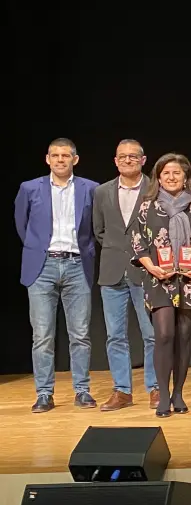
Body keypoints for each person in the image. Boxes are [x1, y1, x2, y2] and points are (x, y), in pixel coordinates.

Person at [128, 153, 191, 417]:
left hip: (190, 280)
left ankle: (178, 393)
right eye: (166, 173)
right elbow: (137, 243)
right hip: (159, 279)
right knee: (164, 334)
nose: (171, 177)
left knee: (183, 336)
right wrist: (151, 267)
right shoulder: (147, 207)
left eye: (176, 173)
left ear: (186, 176)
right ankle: (163, 395)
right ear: (158, 177)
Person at [17, 138, 99, 413]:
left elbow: (96, 226)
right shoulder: (29, 188)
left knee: (80, 334)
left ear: (75, 159)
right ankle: (44, 393)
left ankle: (82, 391)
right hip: (42, 267)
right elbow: (22, 225)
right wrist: (38, 249)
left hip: (77, 265)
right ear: (47, 159)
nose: (60, 160)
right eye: (55, 155)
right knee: (42, 335)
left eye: (66, 155)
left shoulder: (91, 189)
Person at [93, 139, 157, 410]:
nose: (127, 160)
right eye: (122, 156)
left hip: (145, 271)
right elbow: (99, 230)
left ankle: (155, 388)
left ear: (143, 160)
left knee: (151, 334)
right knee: (115, 335)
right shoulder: (102, 192)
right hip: (112, 271)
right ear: (115, 160)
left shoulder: (154, 189)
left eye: (133, 156)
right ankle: (122, 391)